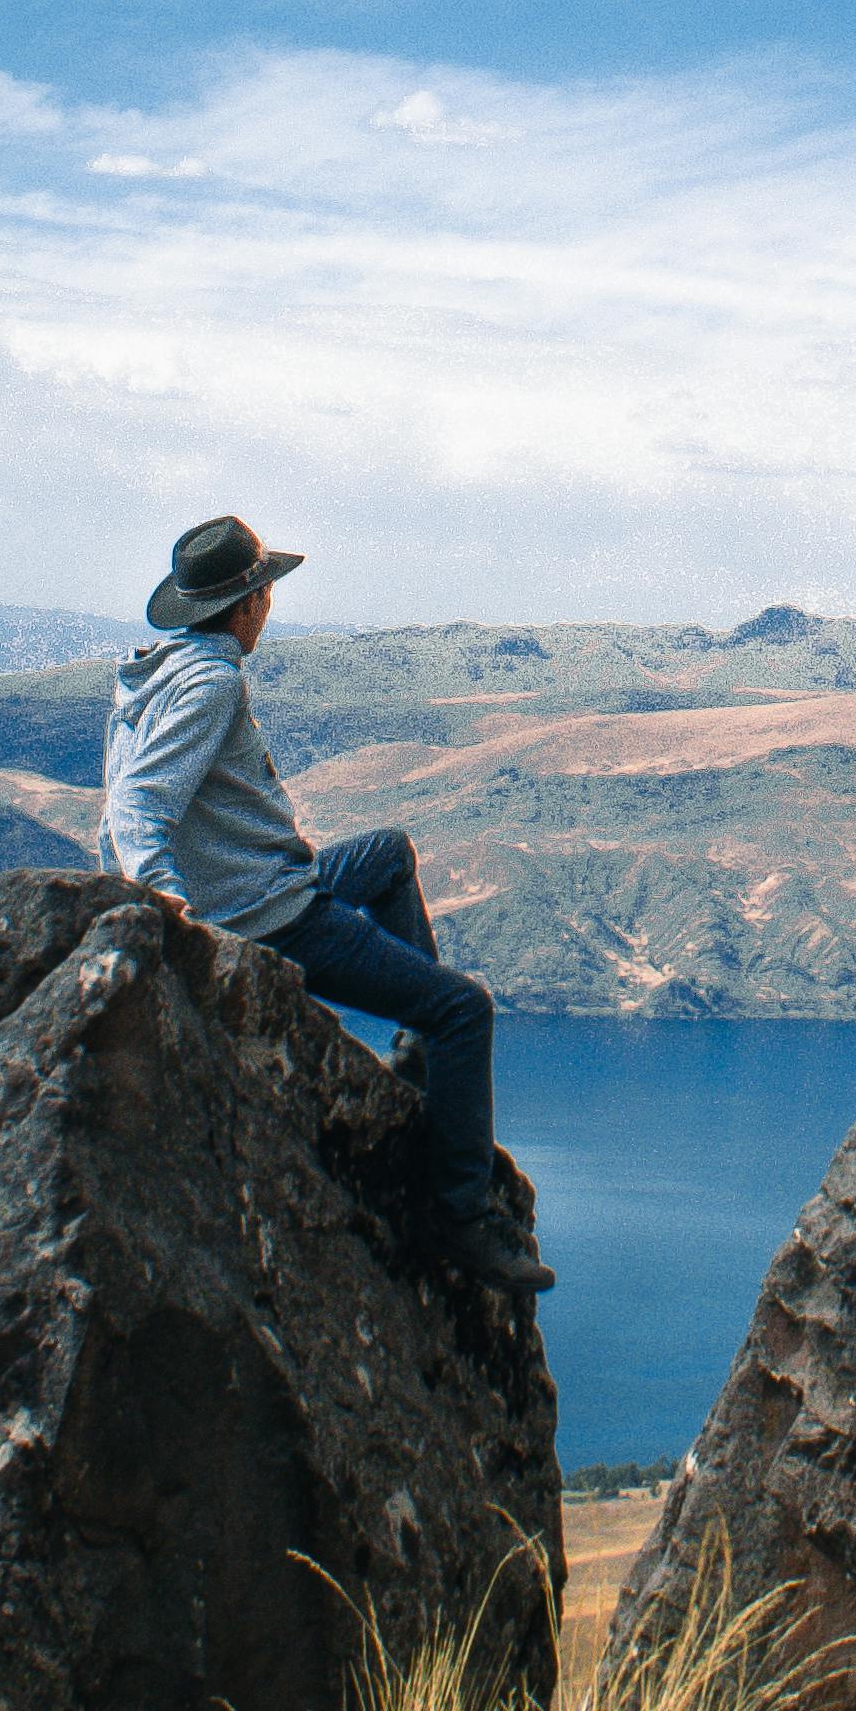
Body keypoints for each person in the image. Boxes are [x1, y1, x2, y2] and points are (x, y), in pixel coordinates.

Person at [100, 509, 549, 1298]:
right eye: (264, 593)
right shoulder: (211, 683)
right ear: (245, 607)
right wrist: (167, 897)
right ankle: (460, 1220)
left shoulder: (155, 672)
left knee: (387, 854)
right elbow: (139, 802)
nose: (269, 606)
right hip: (270, 916)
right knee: (465, 1012)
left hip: (265, 882)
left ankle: (413, 1053)